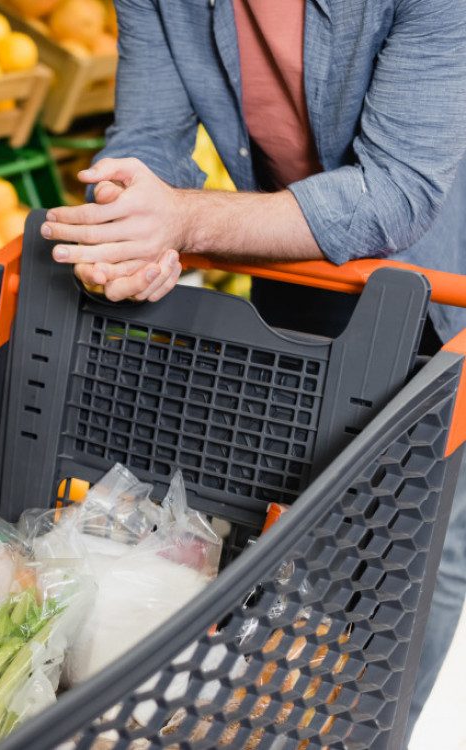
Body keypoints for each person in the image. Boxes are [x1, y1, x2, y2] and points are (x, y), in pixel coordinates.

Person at [38, 1, 466, 745]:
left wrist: (187, 221)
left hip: (450, 286)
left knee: (427, 545)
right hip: (302, 267)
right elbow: (146, 140)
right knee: (294, 516)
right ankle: (276, 718)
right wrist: (129, 227)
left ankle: (367, 733)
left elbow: (397, 193)